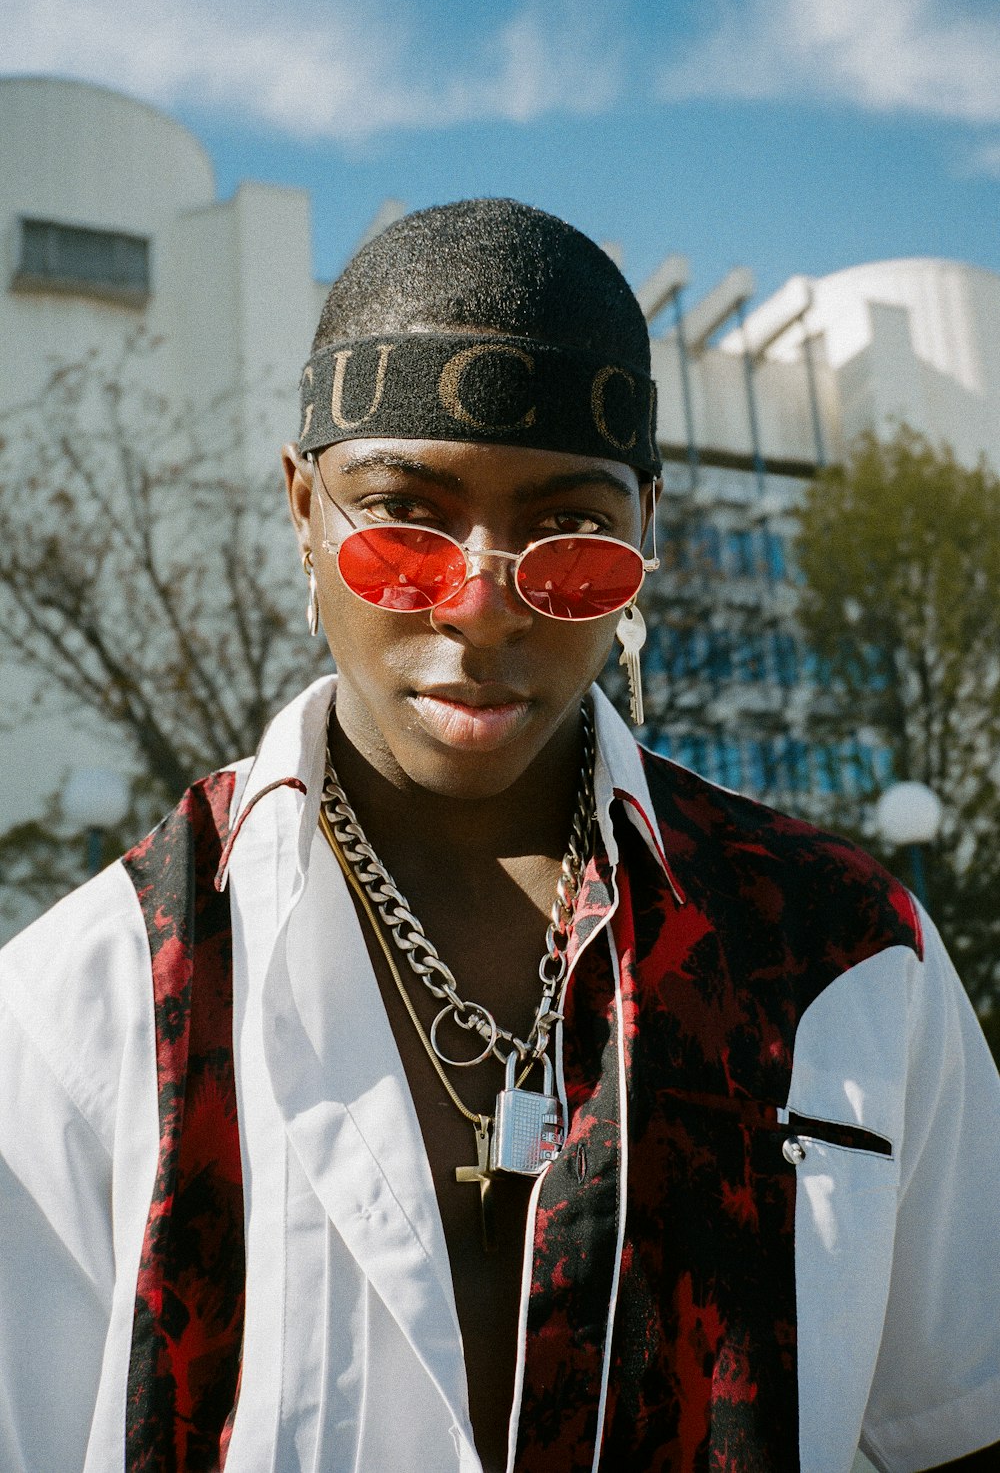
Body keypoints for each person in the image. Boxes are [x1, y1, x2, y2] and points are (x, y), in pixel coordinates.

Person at [1, 199, 998, 1473]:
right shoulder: (78, 1012)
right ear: (304, 507)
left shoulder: (852, 961)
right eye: (405, 524)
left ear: (647, 526)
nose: (479, 607)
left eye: (569, 540)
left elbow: (958, 1421)